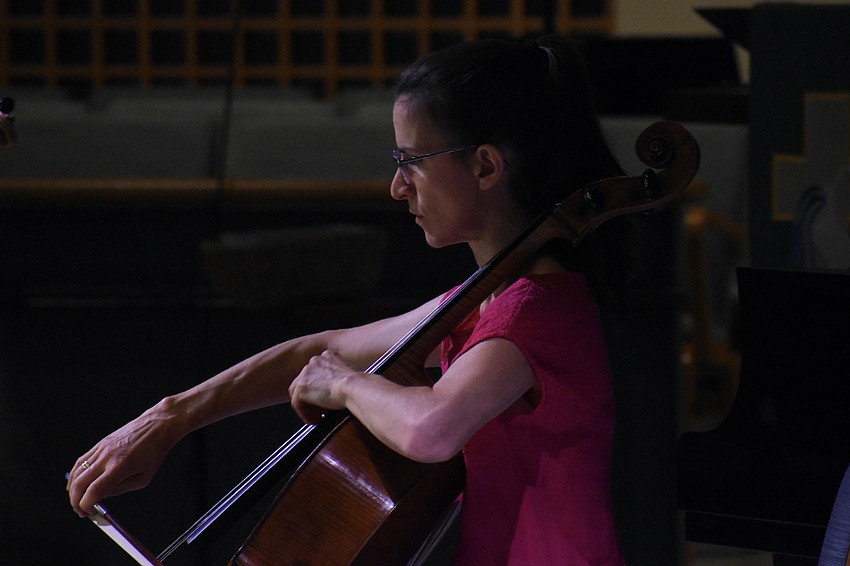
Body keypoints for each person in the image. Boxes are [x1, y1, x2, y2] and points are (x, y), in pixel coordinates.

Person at [67, 35, 630, 565]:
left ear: (484, 165)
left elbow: (431, 428)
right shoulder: (485, 300)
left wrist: (344, 384)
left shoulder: (532, 307)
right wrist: (172, 416)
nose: (397, 187)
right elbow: (319, 347)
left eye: (412, 162)